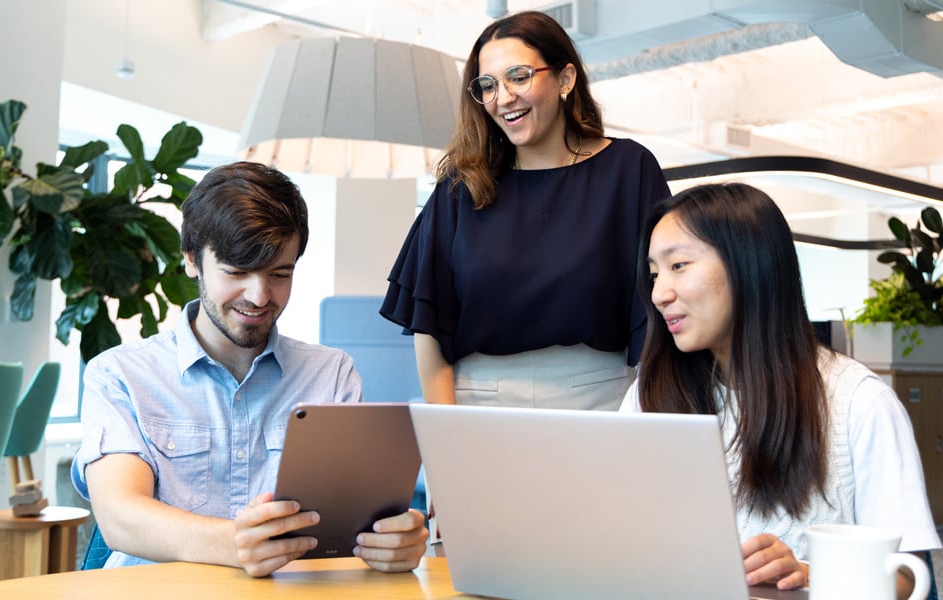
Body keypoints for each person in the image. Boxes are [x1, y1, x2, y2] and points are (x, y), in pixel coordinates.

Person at [71, 161, 428, 577]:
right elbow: (120, 516)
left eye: (280, 273)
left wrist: (393, 540)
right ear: (192, 260)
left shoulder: (331, 374)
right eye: (237, 272)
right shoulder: (119, 375)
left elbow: (359, 523)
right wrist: (232, 543)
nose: (260, 296)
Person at [621, 182, 940, 595]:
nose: (660, 293)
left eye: (678, 265)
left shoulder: (858, 401)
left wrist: (810, 575)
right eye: (653, 274)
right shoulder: (649, 394)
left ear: (749, 265)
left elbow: (911, 578)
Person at [380, 10, 670, 410]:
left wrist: (650, 413)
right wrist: (444, 427)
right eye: (488, 85)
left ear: (565, 79)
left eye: (519, 77)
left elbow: (659, 306)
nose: (503, 98)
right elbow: (430, 325)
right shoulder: (460, 188)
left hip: (603, 399)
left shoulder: (628, 170)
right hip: (476, 404)